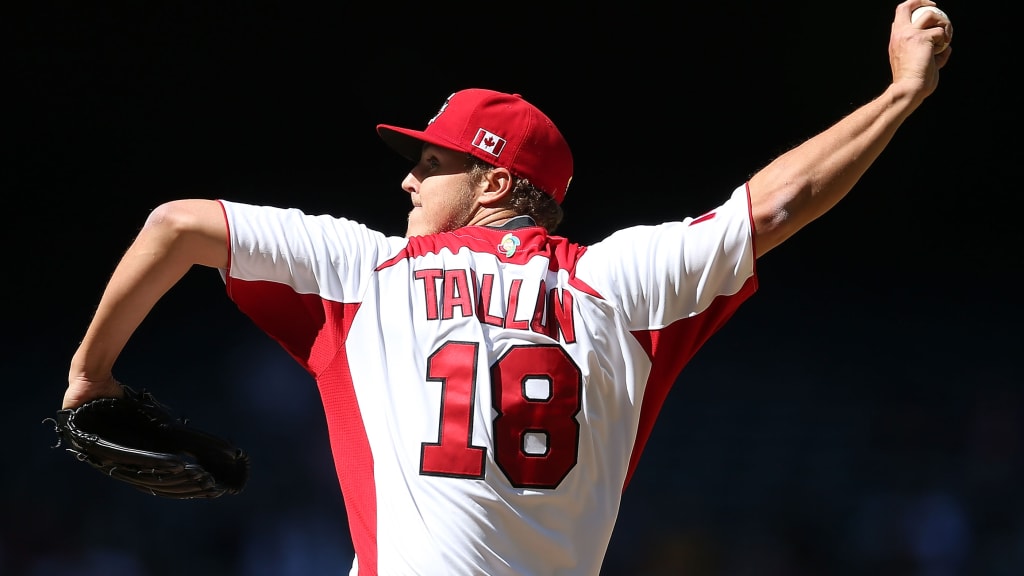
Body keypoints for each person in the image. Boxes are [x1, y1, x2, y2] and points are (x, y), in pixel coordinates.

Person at [61, 1, 953, 574]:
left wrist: (89, 378)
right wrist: (901, 94)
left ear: (493, 182)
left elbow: (175, 225)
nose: (409, 179)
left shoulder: (369, 271)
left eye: (431, 161)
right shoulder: (617, 283)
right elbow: (785, 199)